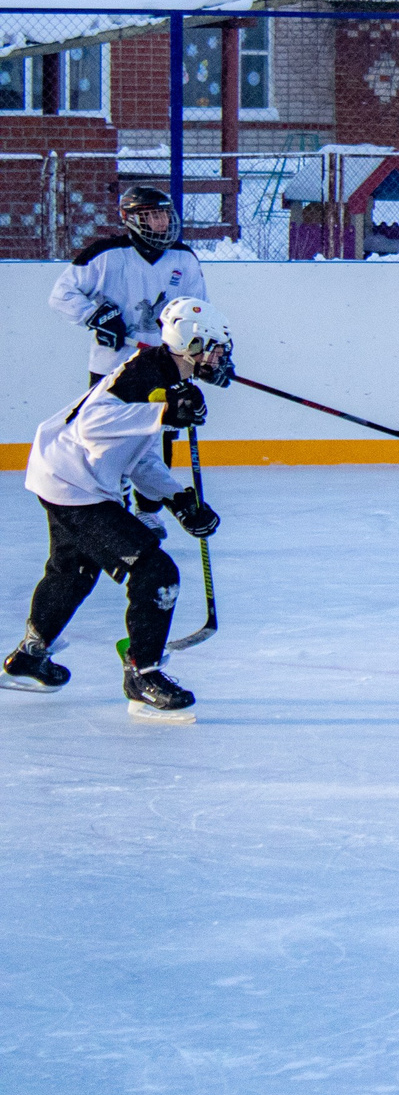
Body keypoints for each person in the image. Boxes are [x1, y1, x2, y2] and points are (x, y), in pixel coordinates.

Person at [5, 297, 229, 722]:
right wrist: (163, 412)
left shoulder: (166, 377)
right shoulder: (145, 375)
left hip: (65, 474)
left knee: (73, 571)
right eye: (214, 347)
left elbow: (135, 453)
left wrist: (177, 499)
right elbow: (91, 427)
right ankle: (142, 676)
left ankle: (30, 657)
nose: (220, 357)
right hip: (76, 484)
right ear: (191, 344)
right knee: (155, 573)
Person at [49, 183, 210, 526]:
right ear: (130, 219)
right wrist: (95, 316)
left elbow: (199, 313)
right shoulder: (105, 255)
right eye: (151, 216)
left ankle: (148, 513)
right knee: (109, 442)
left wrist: (204, 356)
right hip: (112, 369)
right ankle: (111, 506)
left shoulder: (184, 258)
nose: (161, 223)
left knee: (159, 437)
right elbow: (62, 294)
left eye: (164, 215)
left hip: (162, 367)